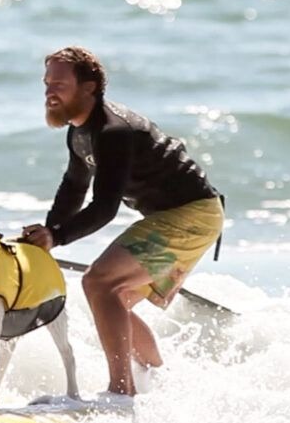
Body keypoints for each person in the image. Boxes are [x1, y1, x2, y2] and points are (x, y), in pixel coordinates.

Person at [20, 46, 224, 397]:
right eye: (46, 83)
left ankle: (121, 391)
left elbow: (104, 207)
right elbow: (74, 187)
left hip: (189, 216)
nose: (49, 92)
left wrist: (56, 236)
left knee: (99, 283)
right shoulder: (79, 132)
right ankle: (157, 381)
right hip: (186, 218)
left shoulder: (115, 132)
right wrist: (48, 233)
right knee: (117, 298)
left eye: (59, 84)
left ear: (89, 87)